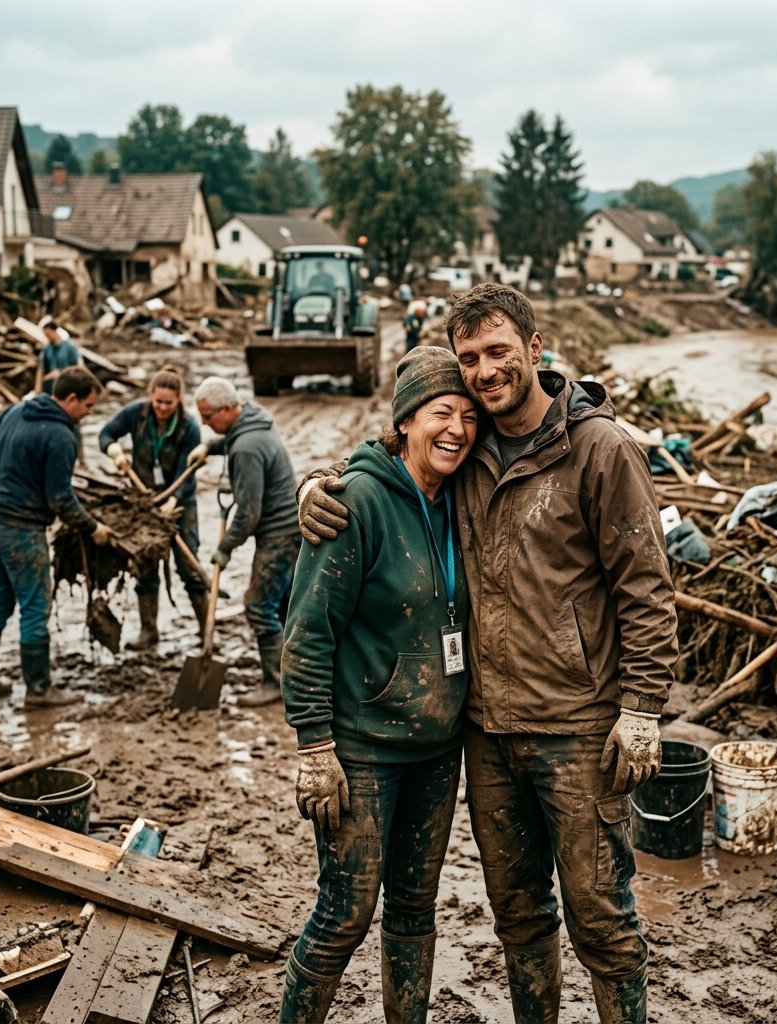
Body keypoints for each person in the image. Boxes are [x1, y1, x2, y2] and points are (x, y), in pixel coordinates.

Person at [300, 283, 679, 1023]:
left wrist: (641, 709)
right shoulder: (467, 450)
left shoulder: (600, 451)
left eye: (499, 351)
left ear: (536, 350)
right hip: (488, 733)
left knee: (601, 917)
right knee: (519, 913)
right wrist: (319, 484)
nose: (485, 370)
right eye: (469, 358)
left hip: (580, 731)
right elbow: (394, 453)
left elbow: (647, 588)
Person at [279, 347, 479, 1023]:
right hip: (361, 753)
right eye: (440, 413)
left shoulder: (464, 497)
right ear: (404, 423)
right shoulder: (354, 503)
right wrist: (313, 749)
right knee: (344, 912)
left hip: (436, 750)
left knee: (416, 909)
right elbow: (307, 634)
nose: (456, 428)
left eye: (468, 416)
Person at [0, 366, 114, 707]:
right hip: (20, 528)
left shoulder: (20, 408)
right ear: (70, 399)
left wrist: (13, 464)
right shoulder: (61, 436)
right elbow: (60, 499)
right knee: (36, 606)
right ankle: (38, 689)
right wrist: (93, 528)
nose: (89, 413)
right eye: (88, 406)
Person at [193, 377, 300, 706]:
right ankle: (298, 676)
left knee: (258, 605)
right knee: (284, 605)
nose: (204, 423)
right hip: (291, 529)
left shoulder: (245, 448)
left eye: (209, 417)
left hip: (278, 535)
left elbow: (249, 511)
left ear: (227, 409)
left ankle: (277, 683)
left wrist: (225, 547)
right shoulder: (254, 420)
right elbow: (234, 438)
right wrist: (210, 447)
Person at [99, 365, 210, 647]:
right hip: (144, 504)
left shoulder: (189, 427)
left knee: (189, 569)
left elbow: (188, 472)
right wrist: (115, 453)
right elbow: (106, 434)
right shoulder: (136, 414)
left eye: (168, 403)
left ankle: (205, 632)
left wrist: (173, 500)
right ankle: (149, 631)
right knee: (146, 566)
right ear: (150, 397)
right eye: (157, 401)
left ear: (178, 401)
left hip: (180, 503)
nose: (162, 408)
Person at [34, 321, 82, 397]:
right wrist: (38, 387)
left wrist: (62, 374)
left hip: (67, 385)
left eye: (48, 334)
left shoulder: (69, 346)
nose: (47, 337)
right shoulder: (46, 349)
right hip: (51, 387)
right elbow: (41, 368)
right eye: (46, 335)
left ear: (54, 331)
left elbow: (77, 366)